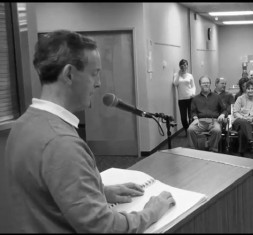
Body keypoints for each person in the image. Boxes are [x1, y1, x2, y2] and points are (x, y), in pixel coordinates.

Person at [3, 30, 175, 233]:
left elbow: (43, 191)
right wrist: (152, 212)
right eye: (94, 73)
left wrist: (99, 192)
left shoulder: (24, 124)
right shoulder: (61, 143)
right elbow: (104, 229)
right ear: (69, 74)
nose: (99, 83)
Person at [187, 75, 227, 153]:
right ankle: (193, 150)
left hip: (213, 121)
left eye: (208, 83)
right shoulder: (195, 98)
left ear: (210, 84)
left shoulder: (216, 97)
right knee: (190, 129)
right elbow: (193, 111)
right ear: (200, 85)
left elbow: (224, 110)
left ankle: (213, 149)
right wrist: (195, 118)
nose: (206, 84)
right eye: (204, 83)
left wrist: (222, 114)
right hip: (200, 121)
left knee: (217, 130)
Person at [232, 80, 253, 156]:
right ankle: (251, 142)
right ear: (245, 90)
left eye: (252, 88)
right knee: (244, 122)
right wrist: (244, 118)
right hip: (238, 121)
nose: (250, 90)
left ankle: (241, 151)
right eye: (248, 89)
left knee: (242, 131)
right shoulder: (240, 98)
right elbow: (235, 112)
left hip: (252, 123)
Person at [173, 59, 196, 136]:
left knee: (191, 116)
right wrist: (179, 74)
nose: (184, 66)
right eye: (182, 65)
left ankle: (191, 131)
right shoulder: (176, 75)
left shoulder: (190, 75)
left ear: (187, 66)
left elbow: (193, 86)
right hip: (181, 99)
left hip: (190, 98)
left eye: (186, 64)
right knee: (183, 118)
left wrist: (193, 93)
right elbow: (175, 83)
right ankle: (186, 129)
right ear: (180, 66)